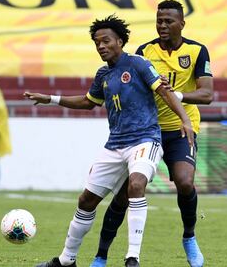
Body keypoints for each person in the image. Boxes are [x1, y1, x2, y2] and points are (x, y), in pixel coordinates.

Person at [24, 14, 194, 267]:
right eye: (97, 42)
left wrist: (185, 119)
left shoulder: (138, 64)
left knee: (136, 185)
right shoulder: (103, 74)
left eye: (106, 41)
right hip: (115, 145)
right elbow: (88, 102)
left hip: (145, 139)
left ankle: (132, 258)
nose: (101, 46)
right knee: (86, 200)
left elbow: (164, 90)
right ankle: (66, 260)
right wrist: (51, 98)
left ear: (120, 41)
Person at [89, 0, 213, 267]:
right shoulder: (145, 51)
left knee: (185, 182)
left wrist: (174, 94)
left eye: (168, 21)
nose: (162, 25)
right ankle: (101, 255)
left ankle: (189, 237)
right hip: (145, 132)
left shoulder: (197, 51)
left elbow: (207, 94)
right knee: (125, 193)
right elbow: (129, 81)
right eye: (159, 21)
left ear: (182, 23)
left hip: (180, 129)